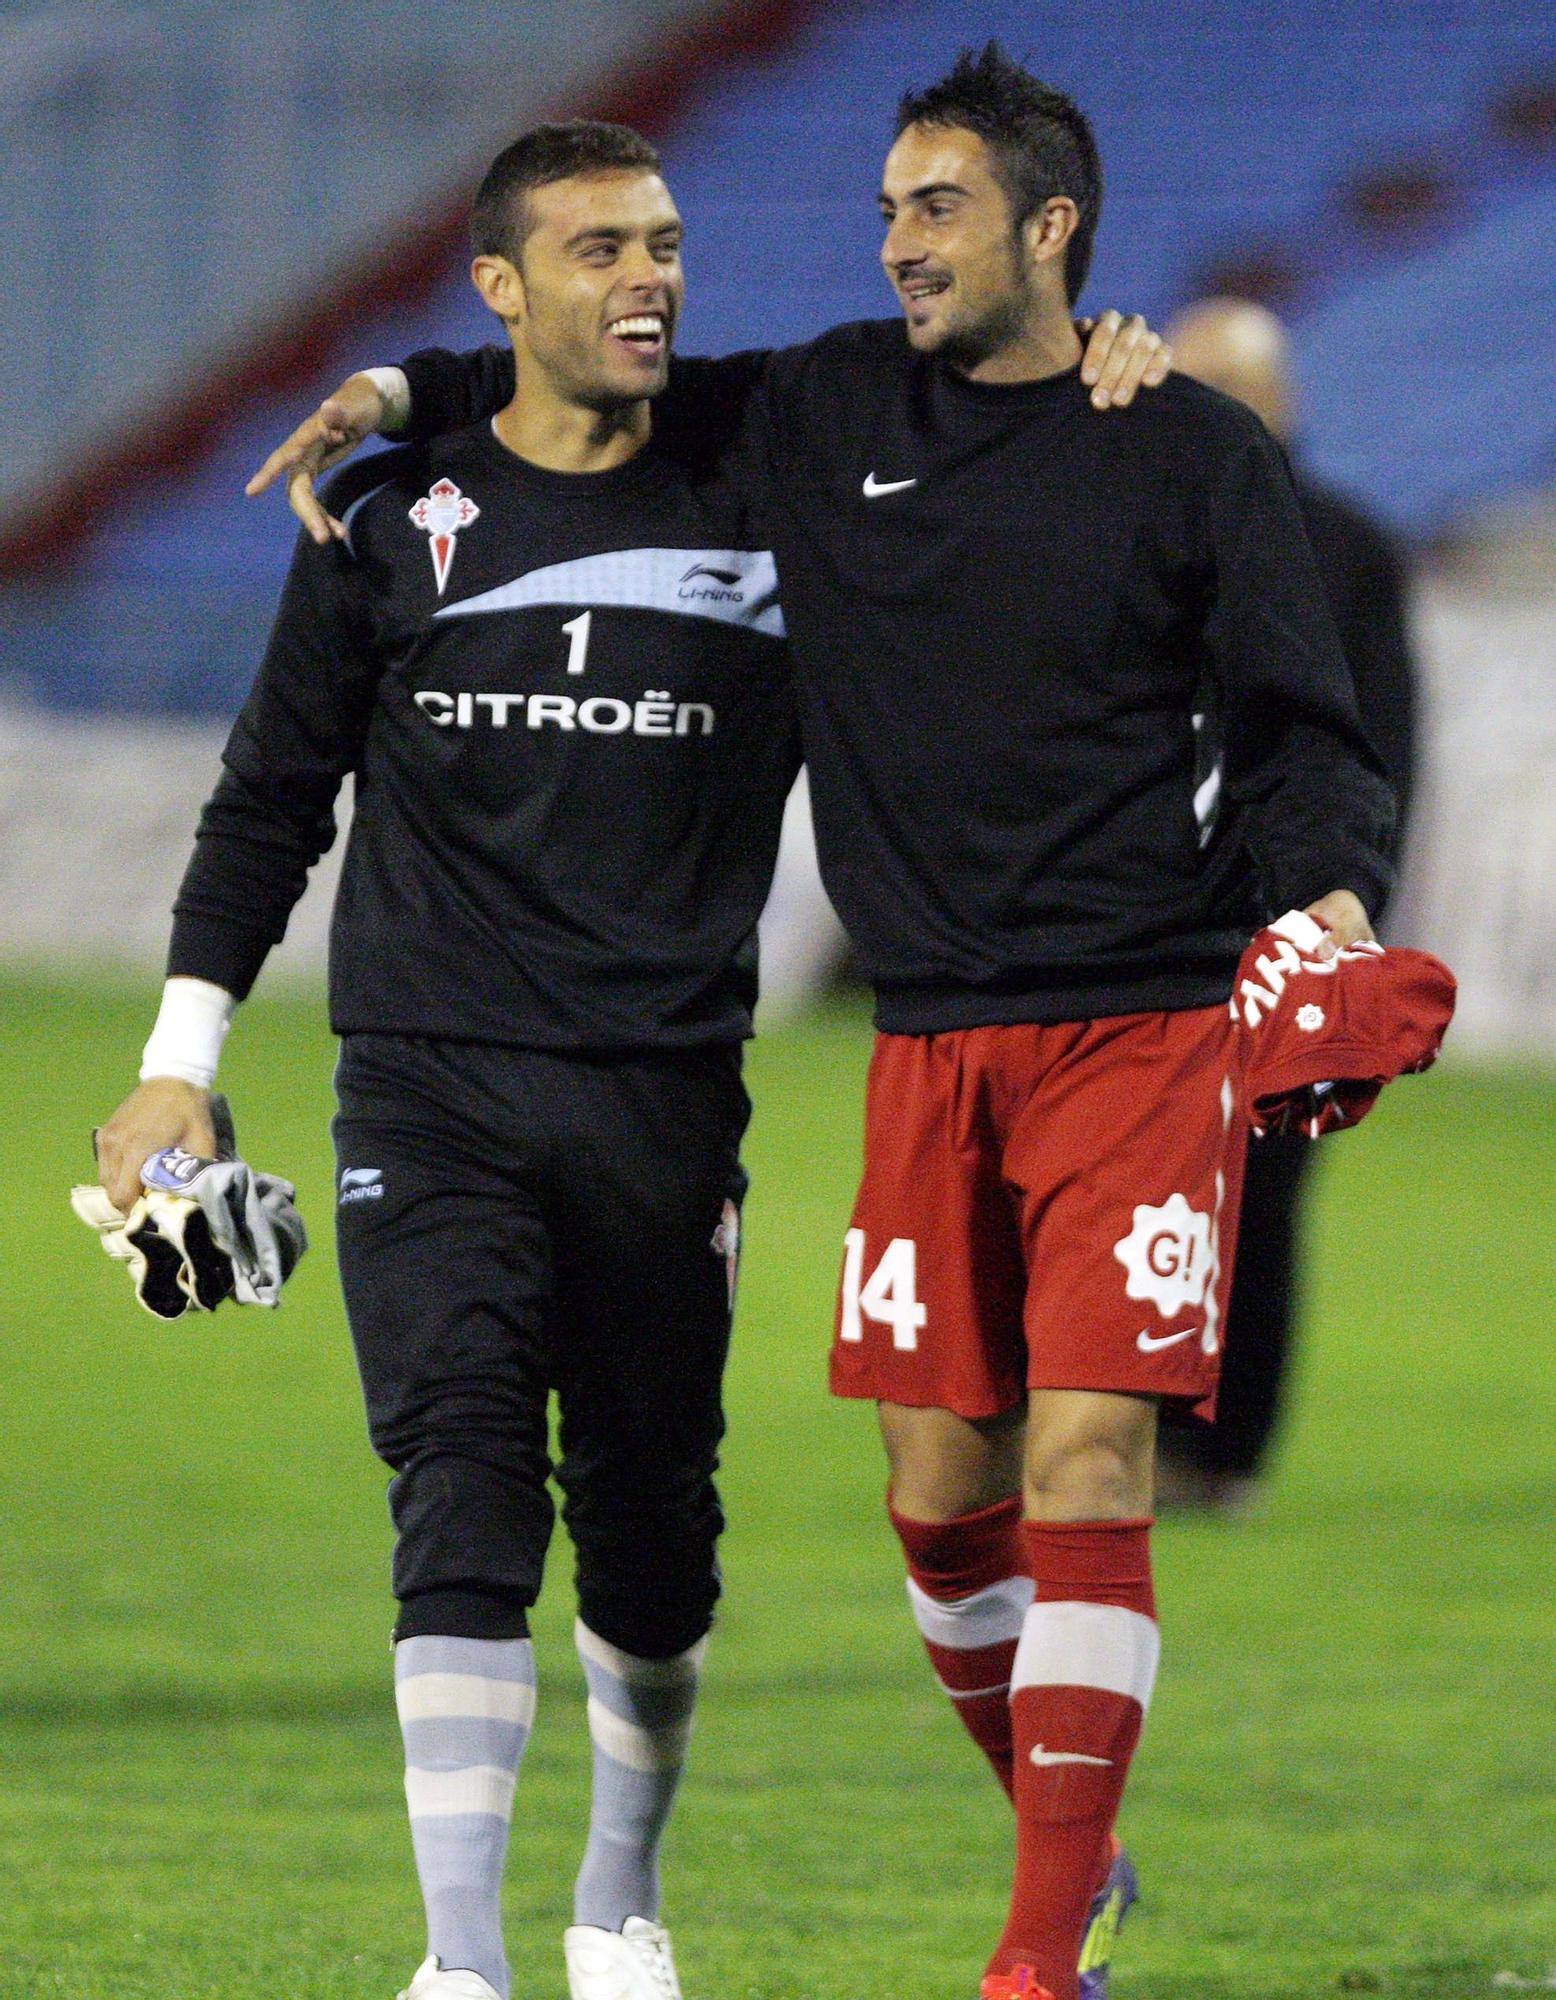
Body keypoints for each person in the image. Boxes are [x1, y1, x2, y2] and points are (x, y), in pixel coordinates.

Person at [98, 115, 1169, 2000]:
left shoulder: (773, 476)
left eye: (665, 242)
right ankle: (458, 1962)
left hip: (667, 1094)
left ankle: (618, 1900)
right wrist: (180, 1061)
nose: (650, 275)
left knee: (655, 1536)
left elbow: (981, 382)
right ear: (506, 289)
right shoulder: (382, 521)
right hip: (422, 1077)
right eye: (597, 250)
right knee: (459, 1484)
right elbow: (267, 807)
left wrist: (1109, 357)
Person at [1154, 296, 1418, 1513]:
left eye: (1219, 384)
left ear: (1278, 399)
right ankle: (1136, 1425)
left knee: (1261, 1192)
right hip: (1149, 920)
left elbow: (1375, 742)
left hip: (1288, 925)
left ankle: (1228, 1449)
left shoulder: (1343, 546)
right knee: (1139, 1179)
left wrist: (1345, 901)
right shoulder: (1143, 527)